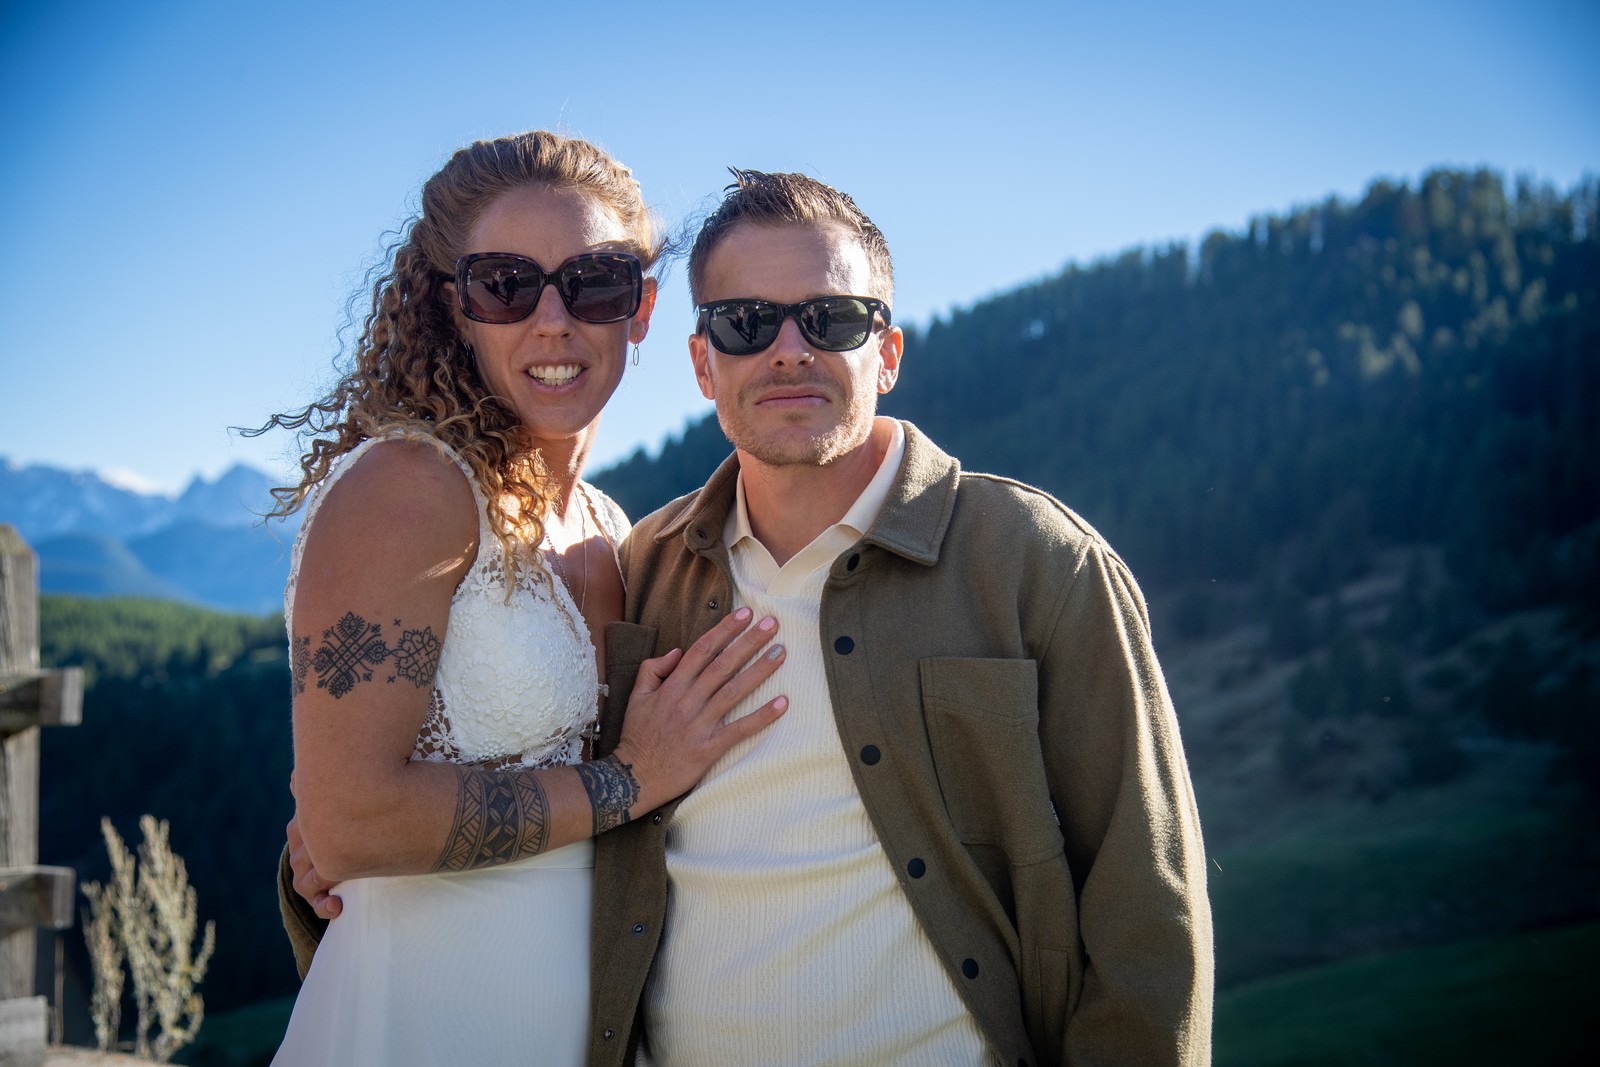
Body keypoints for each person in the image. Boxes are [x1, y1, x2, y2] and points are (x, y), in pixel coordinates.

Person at [583, 171, 1214, 1066]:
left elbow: (1143, 901)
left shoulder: (1038, 561)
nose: (789, 350)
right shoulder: (643, 571)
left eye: (831, 318)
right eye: (746, 322)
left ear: (887, 353)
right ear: (701, 362)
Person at [264, 132, 788, 1067]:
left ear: (641, 308)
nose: (553, 322)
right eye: (507, 284)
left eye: (594, 284)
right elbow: (350, 821)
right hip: (420, 1021)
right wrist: (627, 779)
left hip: (587, 1028)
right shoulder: (409, 488)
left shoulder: (609, 528)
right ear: (454, 306)